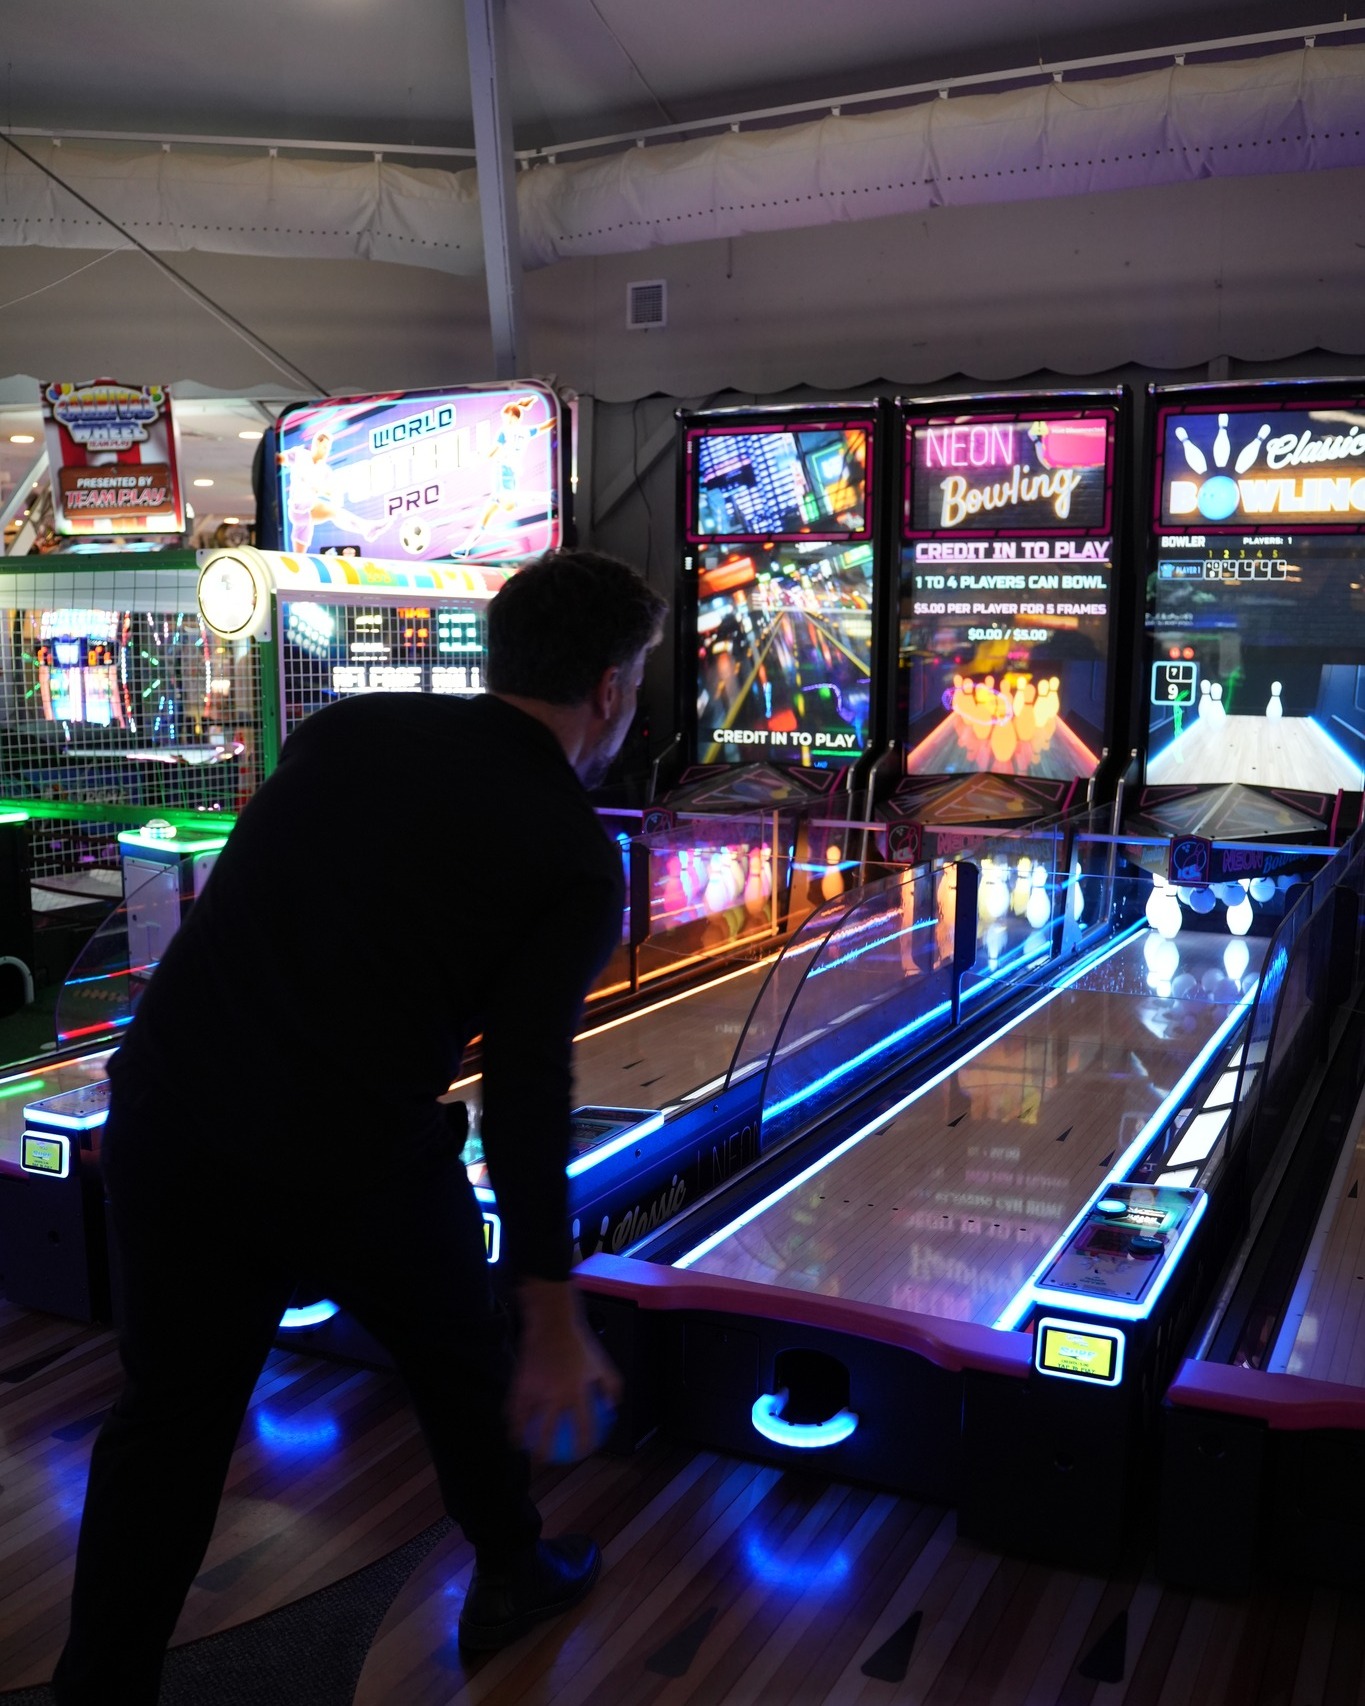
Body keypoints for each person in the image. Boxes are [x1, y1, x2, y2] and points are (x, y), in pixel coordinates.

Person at [52, 548, 668, 1703]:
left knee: (167, 1425)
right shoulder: (573, 853)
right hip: (348, 1150)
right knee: (459, 1354)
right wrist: (547, 1295)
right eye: (637, 672)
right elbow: (529, 1083)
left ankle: (101, 1684)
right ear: (610, 688)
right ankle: (512, 1569)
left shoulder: (349, 728)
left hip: (169, 1108)